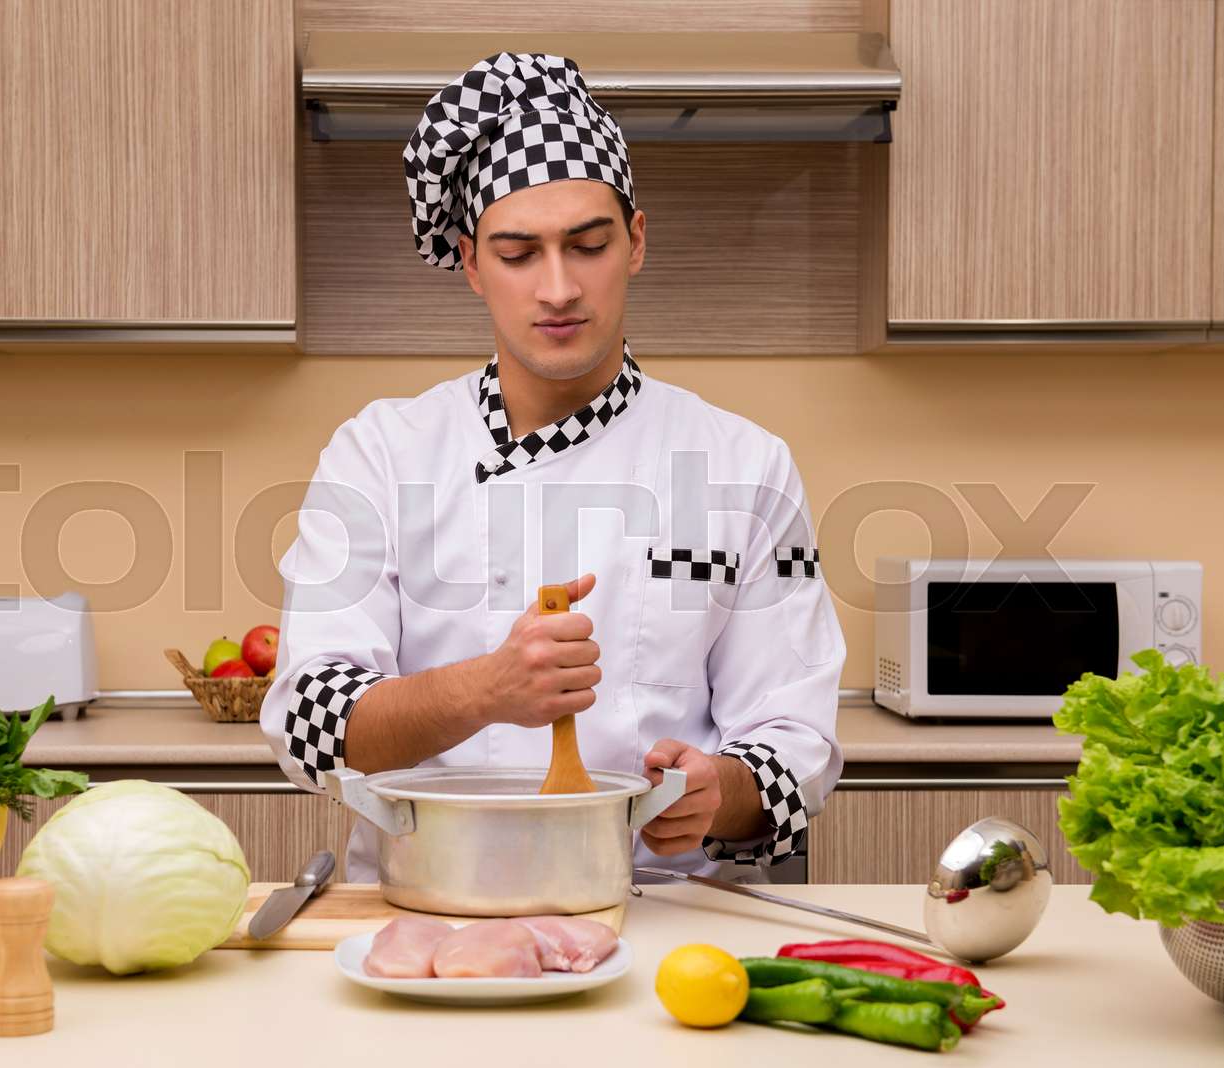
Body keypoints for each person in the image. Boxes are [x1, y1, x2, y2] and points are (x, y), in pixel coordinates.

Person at [261, 52, 845, 881]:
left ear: (635, 242)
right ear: (470, 263)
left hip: (663, 920)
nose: (560, 287)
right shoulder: (380, 453)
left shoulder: (746, 465)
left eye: (588, 243)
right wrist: (487, 690)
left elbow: (798, 741)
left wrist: (724, 791)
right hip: (427, 910)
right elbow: (307, 726)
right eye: (518, 252)